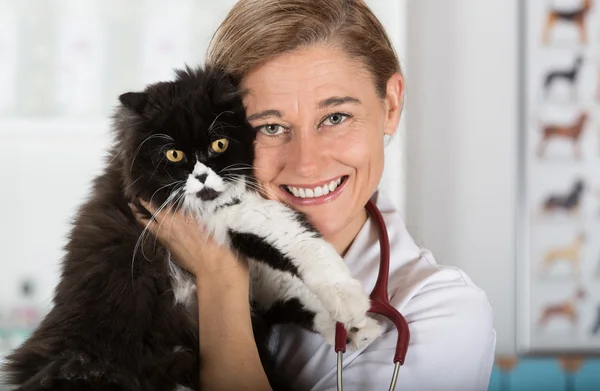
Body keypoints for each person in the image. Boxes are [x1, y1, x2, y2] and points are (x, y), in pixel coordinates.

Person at [134, 0, 497, 390]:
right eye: (270, 127)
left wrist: (221, 280)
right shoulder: (147, 272)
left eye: (335, 118)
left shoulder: (447, 315)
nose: (306, 163)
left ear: (390, 105)